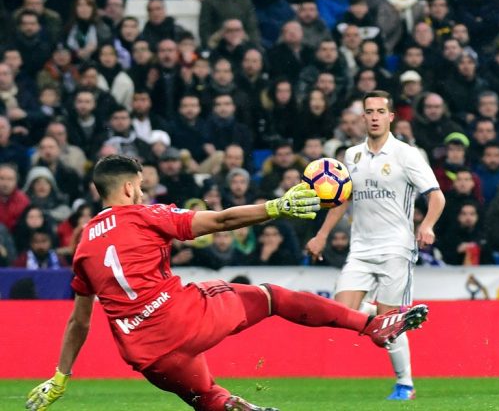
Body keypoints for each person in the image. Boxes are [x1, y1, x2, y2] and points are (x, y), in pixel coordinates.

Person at [25, 155, 429, 411]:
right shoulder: (147, 215)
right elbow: (219, 221)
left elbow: (79, 321)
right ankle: (371, 325)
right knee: (272, 298)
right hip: (184, 318)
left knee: (209, 398)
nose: (143, 191)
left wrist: (60, 376)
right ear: (130, 186)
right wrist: (275, 207)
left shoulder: (82, 246)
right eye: (141, 185)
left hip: (147, 355)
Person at [305, 91, 445, 400]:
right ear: (363, 117)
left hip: (396, 247)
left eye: (381, 111)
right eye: (369, 111)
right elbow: (342, 199)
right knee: (341, 312)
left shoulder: (406, 154)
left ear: (391, 116)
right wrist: (323, 234)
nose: (374, 116)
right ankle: (392, 316)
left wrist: (427, 225)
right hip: (361, 249)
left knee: (385, 330)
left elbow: (436, 195)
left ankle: (405, 384)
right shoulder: (352, 156)